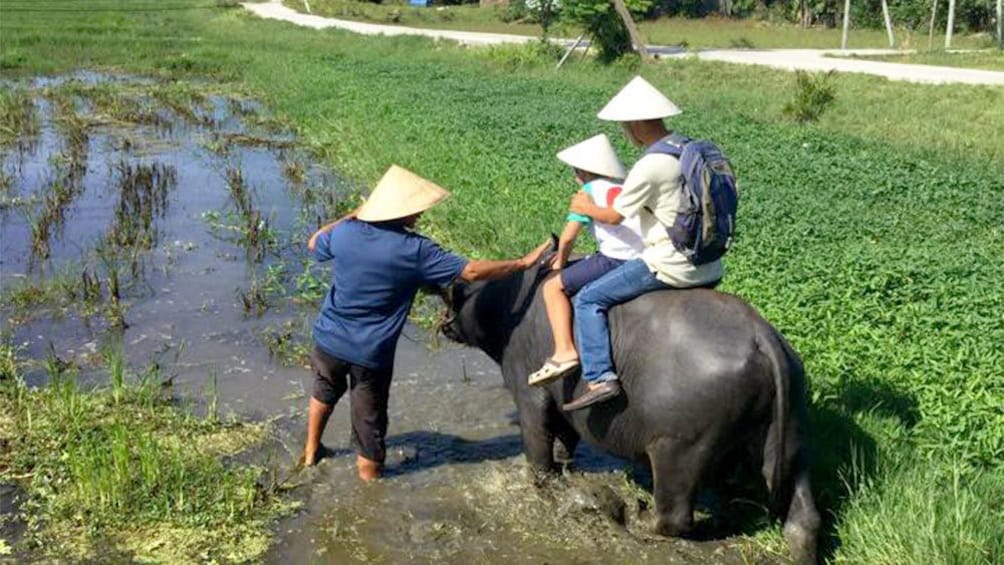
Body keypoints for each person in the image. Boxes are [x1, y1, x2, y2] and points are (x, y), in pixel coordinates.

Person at [303, 165, 550, 480]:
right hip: (369, 354)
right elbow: (471, 271)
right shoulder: (415, 250)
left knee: (324, 389)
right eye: (414, 209)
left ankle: (311, 453)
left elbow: (314, 242)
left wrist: (353, 214)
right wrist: (522, 263)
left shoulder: (345, 233)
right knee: (369, 428)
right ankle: (370, 491)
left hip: (327, 340)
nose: (419, 214)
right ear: (399, 212)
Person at [561, 76, 724, 412]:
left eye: (624, 126)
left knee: (589, 299)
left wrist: (584, 208)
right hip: (709, 264)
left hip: (669, 264)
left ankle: (600, 377)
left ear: (634, 124)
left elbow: (613, 217)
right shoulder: (691, 149)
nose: (625, 132)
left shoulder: (650, 164)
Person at [527, 134, 644, 386]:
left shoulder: (587, 192)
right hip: (642, 258)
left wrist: (559, 263)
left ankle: (565, 351)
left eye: (575, 171)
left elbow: (568, 238)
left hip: (616, 259)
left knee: (552, 287)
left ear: (582, 171)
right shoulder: (621, 189)